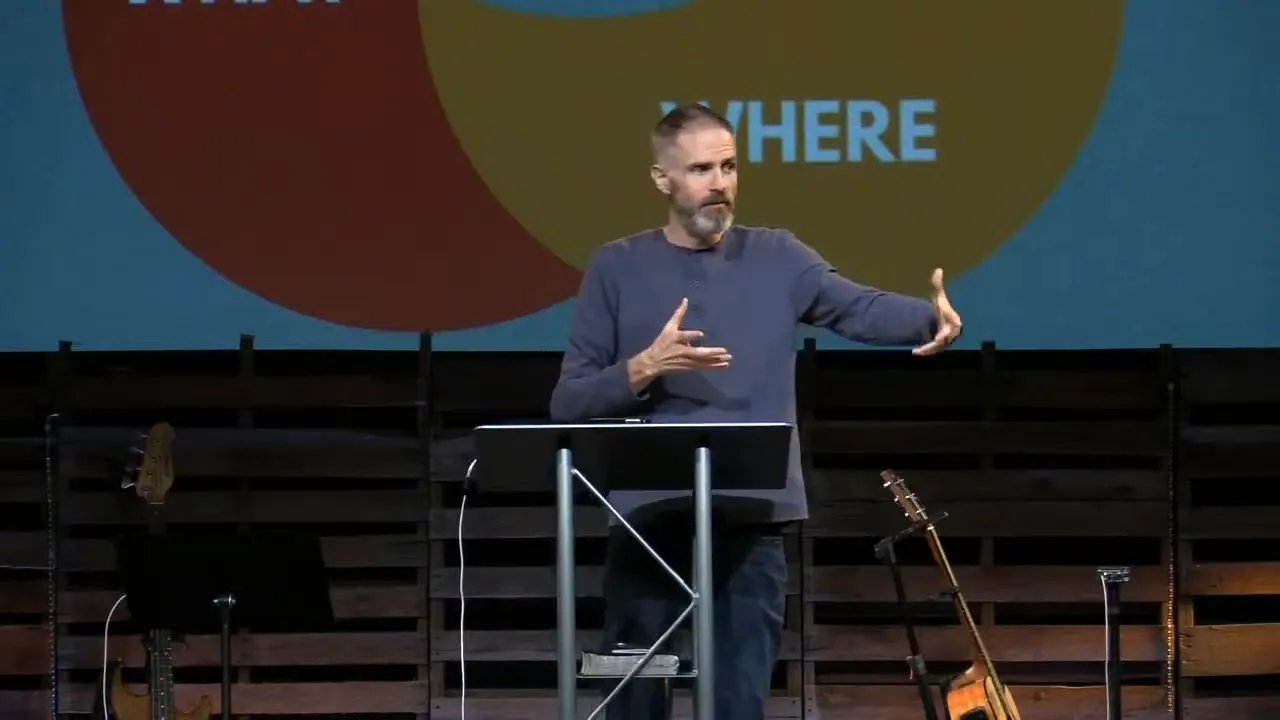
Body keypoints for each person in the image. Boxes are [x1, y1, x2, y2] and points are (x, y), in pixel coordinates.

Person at [547, 103, 963, 719]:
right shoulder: (617, 266)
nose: (720, 182)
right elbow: (568, 401)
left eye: (730, 166)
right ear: (663, 179)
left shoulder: (778, 256)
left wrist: (930, 318)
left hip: (751, 519)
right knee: (635, 693)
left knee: (738, 698)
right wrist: (645, 366)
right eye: (701, 168)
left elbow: (858, 307)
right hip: (648, 520)